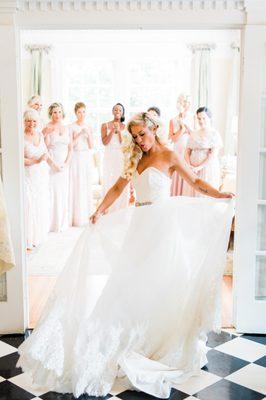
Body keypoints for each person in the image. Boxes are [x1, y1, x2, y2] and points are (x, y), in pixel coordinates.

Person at [17, 112, 233, 399]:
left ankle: (163, 335)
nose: (139, 141)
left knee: (163, 282)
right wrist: (99, 210)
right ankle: (133, 334)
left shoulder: (169, 155)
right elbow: (119, 187)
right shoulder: (136, 158)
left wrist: (219, 195)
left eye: (143, 134)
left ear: (154, 129)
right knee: (132, 283)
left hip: (164, 227)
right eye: (135, 136)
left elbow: (194, 181)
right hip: (140, 227)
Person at [44, 103, 73, 232]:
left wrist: (66, 163)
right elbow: (45, 148)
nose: (57, 115)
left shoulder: (67, 128)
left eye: (59, 112)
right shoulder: (47, 127)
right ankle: (52, 224)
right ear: (51, 113)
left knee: (63, 192)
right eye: (55, 112)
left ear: (63, 113)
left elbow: (71, 148)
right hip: (52, 164)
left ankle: (62, 222)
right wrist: (54, 165)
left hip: (64, 165)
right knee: (52, 192)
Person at [23, 109, 50, 250]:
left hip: (41, 175)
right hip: (29, 175)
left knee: (41, 203)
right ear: (24, 121)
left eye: (34, 121)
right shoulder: (21, 137)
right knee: (30, 204)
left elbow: (45, 151)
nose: (31, 123)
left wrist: (44, 158)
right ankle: (29, 238)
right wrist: (36, 161)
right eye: (28, 120)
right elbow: (21, 159)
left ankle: (38, 236)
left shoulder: (40, 134)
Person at [182, 106, 223, 197]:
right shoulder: (194, 133)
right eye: (199, 118)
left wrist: (199, 167)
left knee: (204, 193)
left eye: (204, 118)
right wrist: (189, 166)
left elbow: (213, 154)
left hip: (207, 168)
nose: (201, 121)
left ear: (209, 118)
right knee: (192, 193)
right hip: (192, 169)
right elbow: (187, 152)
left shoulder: (214, 134)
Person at [69, 102, 94, 226]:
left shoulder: (89, 126)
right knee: (77, 183)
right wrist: (79, 134)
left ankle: (86, 214)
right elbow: (70, 145)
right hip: (76, 156)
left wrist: (88, 134)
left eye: (83, 111)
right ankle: (76, 217)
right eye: (79, 112)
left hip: (85, 157)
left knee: (85, 183)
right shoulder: (71, 127)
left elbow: (91, 145)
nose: (82, 114)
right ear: (75, 113)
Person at [101, 103, 130, 212]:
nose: (117, 112)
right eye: (116, 110)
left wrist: (118, 132)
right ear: (113, 111)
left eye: (120, 110)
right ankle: (108, 208)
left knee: (120, 179)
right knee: (109, 180)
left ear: (122, 113)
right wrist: (112, 130)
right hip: (109, 155)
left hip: (121, 156)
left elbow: (123, 143)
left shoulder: (126, 127)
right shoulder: (105, 125)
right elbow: (104, 142)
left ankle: (120, 208)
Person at [169, 93, 194, 196]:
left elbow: (195, 135)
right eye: (185, 102)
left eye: (189, 102)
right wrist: (182, 129)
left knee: (186, 171)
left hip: (188, 149)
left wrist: (186, 127)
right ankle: (175, 194)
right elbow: (173, 138)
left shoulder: (194, 117)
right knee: (177, 171)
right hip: (177, 148)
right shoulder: (173, 120)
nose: (187, 105)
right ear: (180, 103)